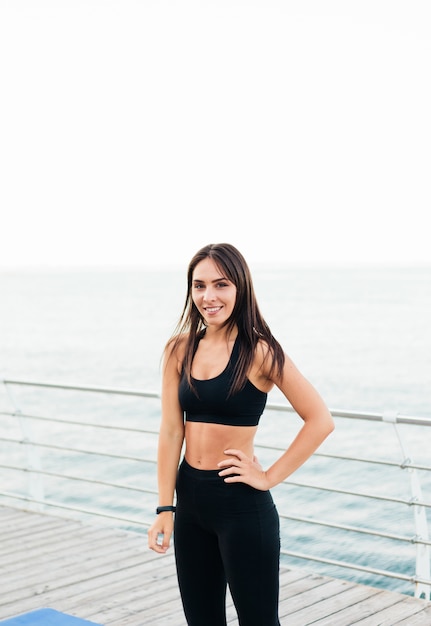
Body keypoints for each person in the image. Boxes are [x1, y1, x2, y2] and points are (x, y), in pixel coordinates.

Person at [148, 243, 334, 626]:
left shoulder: (260, 352)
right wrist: (165, 508)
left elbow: (319, 419)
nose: (208, 296)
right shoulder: (179, 349)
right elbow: (170, 432)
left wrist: (268, 477)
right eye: (199, 286)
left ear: (240, 289)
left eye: (221, 285)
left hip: (241, 507)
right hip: (191, 503)